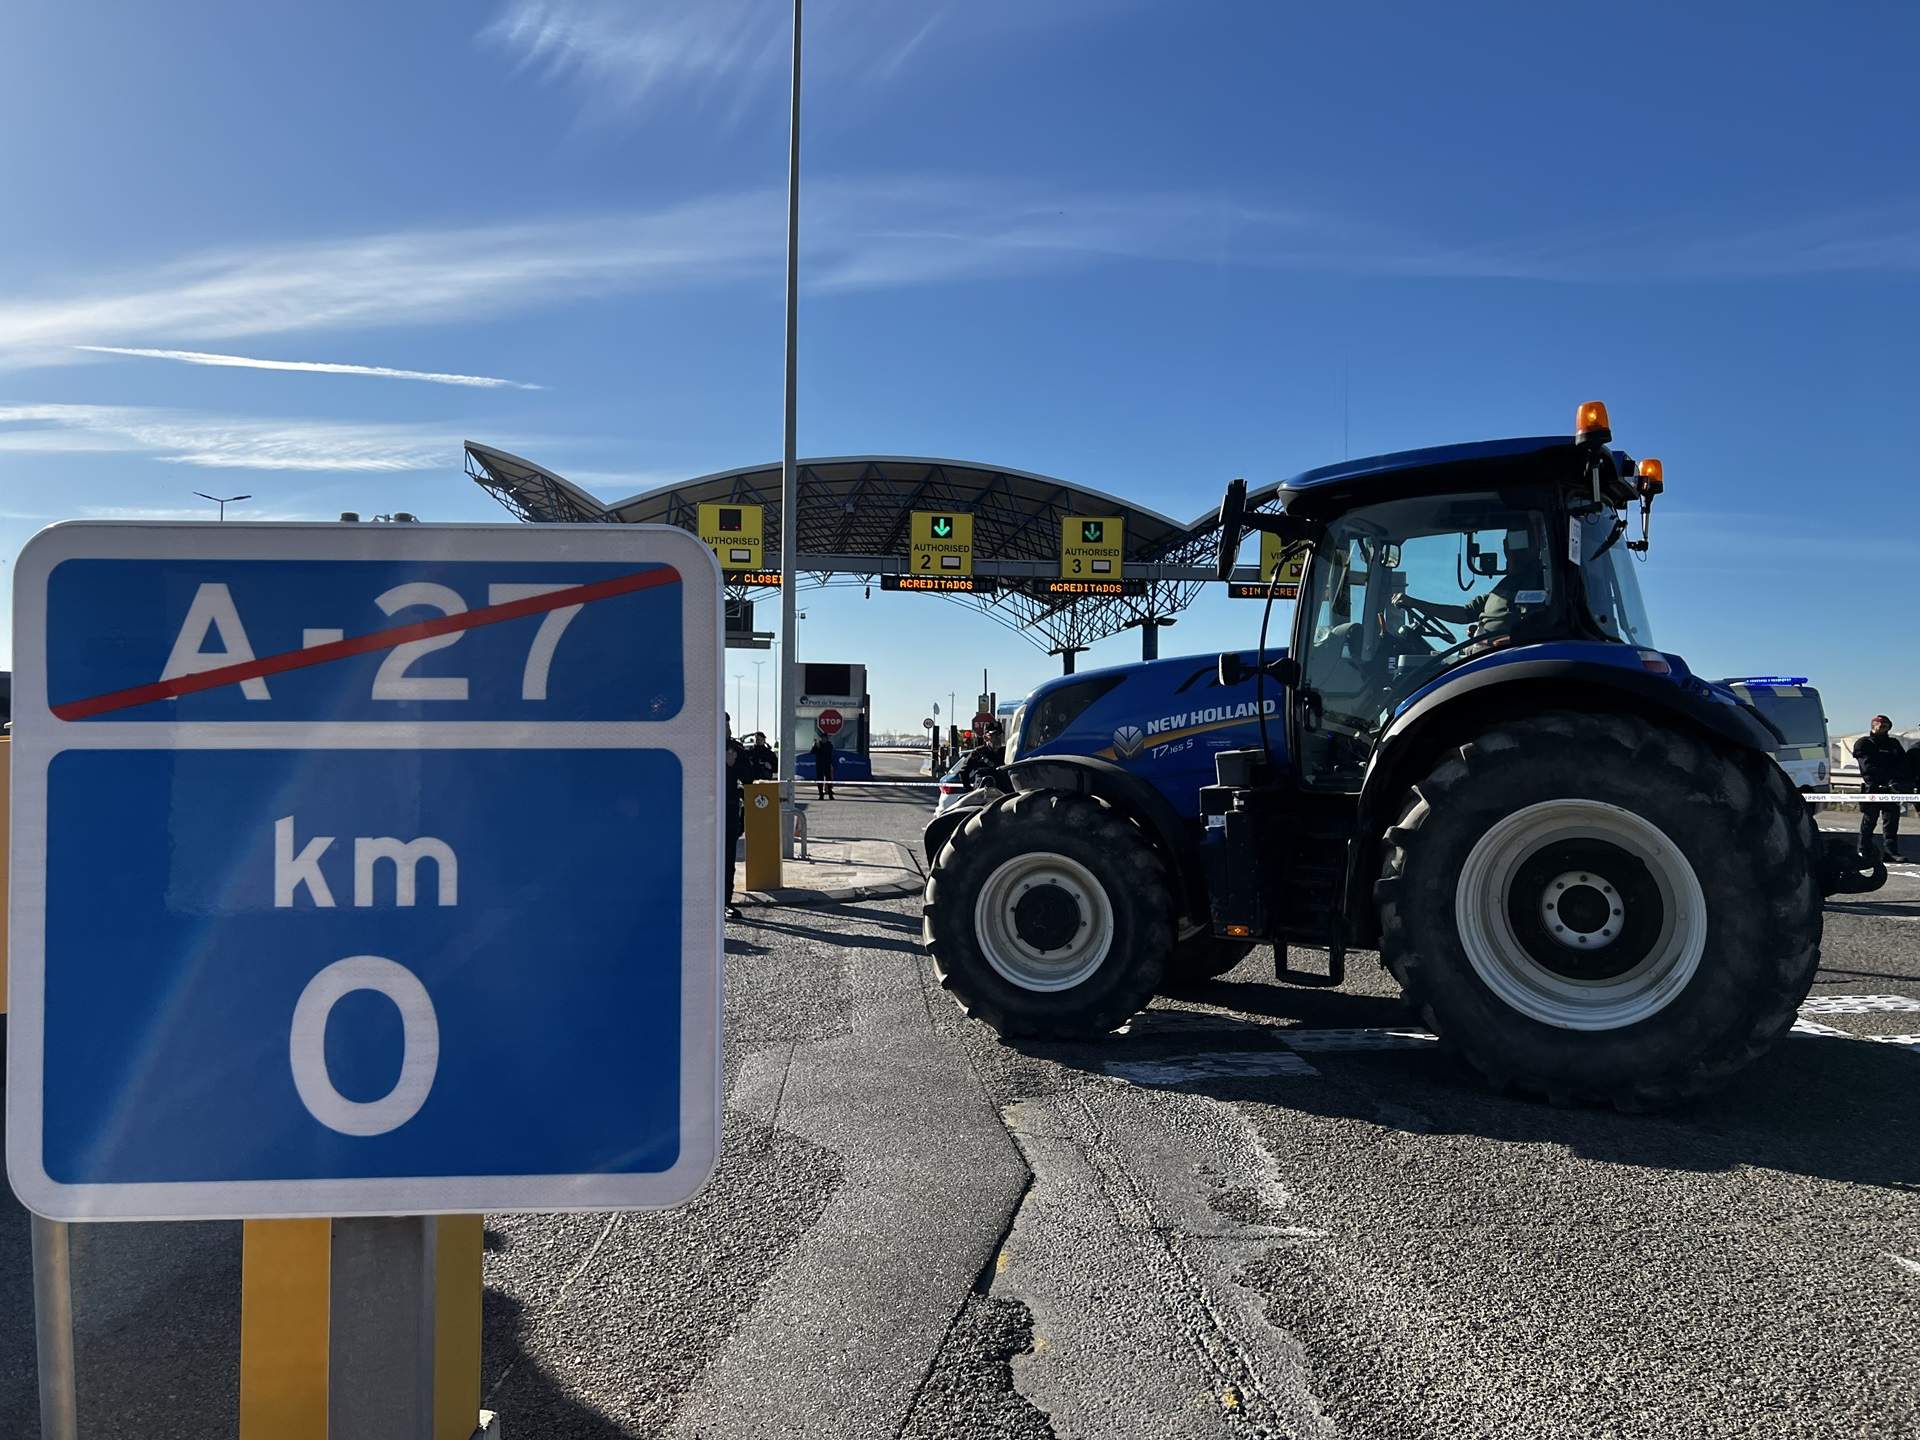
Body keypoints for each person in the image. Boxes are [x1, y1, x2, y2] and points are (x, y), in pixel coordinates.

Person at [1852, 714, 1909, 862]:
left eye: (1886, 726)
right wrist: (1881, 777)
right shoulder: (1864, 743)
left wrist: (1895, 780)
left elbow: (1902, 764)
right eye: (1880, 725)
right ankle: (1863, 850)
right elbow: (1867, 767)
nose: (1883, 728)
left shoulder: (1893, 744)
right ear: (1873, 726)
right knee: (1869, 820)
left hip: (1891, 788)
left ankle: (1890, 851)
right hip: (1873, 788)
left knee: (1891, 820)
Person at [724, 718, 746, 919]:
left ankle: (726, 902)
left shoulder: (735, 749)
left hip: (729, 811)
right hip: (704, 812)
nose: (725, 728)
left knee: (728, 859)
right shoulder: (702, 746)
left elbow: (749, 777)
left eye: (727, 724)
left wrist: (733, 765)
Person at [809, 733, 837, 799]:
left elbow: (826, 751)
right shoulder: (818, 744)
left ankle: (830, 794)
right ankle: (821, 794)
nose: (823, 739)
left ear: (827, 739)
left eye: (825, 738)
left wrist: (819, 747)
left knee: (828, 780)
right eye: (822, 738)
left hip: (827, 764)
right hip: (819, 765)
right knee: (819, 780)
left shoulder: (829, 745)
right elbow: (812, 752)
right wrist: (814, 745)